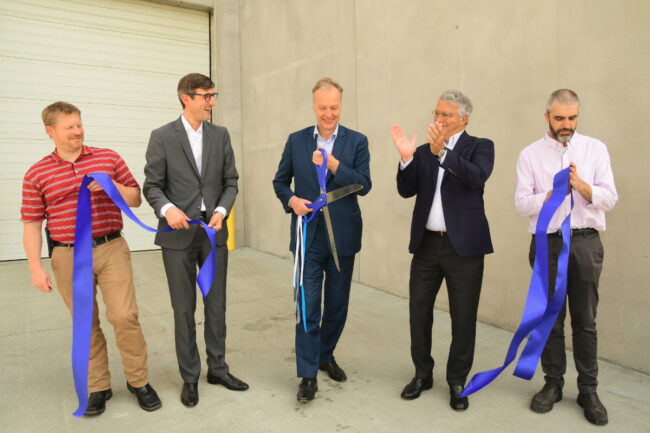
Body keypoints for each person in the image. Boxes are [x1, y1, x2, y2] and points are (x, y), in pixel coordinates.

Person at [21, 102, 161, 416]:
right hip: (67, 254)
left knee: (125, 316)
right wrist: (35, 267)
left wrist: (114, 187)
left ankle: (139, 381)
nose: (77, 131)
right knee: (86, 323)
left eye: (79, 124)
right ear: (50, 131)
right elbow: (31, 223)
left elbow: (136, 198)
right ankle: (98, 386)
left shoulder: (108, 158)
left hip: (110, 247)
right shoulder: (37, 173)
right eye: (69, 127)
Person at [143, 73, 247, 407]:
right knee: (183, 308)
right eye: (207, 96)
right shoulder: (162, 137)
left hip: (213, 233)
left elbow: (230, 181)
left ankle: (218, 368)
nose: (212, 102)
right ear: (186, 97)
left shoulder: (221, 135)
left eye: (213, 95)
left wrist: (221, 210)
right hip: (177, 235)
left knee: (217, 305)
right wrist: (168, 209)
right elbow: (152, 186)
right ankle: (190, 377)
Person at [515, 89, 617, 426]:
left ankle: (588, 389)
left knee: (585, 321)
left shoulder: (595, 149)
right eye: (559, 118)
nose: (566, 125)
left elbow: (609, 198)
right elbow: (521, 204)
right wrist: (549, 195)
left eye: (572, 118)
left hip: (586, 244)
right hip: (548, 245)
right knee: (549, 320)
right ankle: (553, 383)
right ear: (547, 117)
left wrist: (582, 187)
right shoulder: (530, 155)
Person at [391, 90, 494, 411]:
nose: (438, 119)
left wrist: (444, 154)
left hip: (464, 248)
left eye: (446, 115)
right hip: (426, 245)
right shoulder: (423, 151)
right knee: (418, 312)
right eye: (436, 113)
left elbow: (477, 177)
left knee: (463, 317)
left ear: (463, 118)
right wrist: (407, 158)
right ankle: (423, 373)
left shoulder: (480, 146)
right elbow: (406, 190)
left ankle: (457, 380)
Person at [273, 77, 371, 402]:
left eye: (334, 107)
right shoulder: (296, 140)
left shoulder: (357, 142)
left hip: (343, 238)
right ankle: (308, 374)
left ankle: (326, 353)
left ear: (340, 106)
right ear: (314, 106)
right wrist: (291, 201)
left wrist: (334, 164)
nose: (328, 114)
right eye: (322, 107)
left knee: (337, 307)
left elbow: (364, 184)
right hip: (308, 238)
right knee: (307, 306)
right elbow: (280, 182)